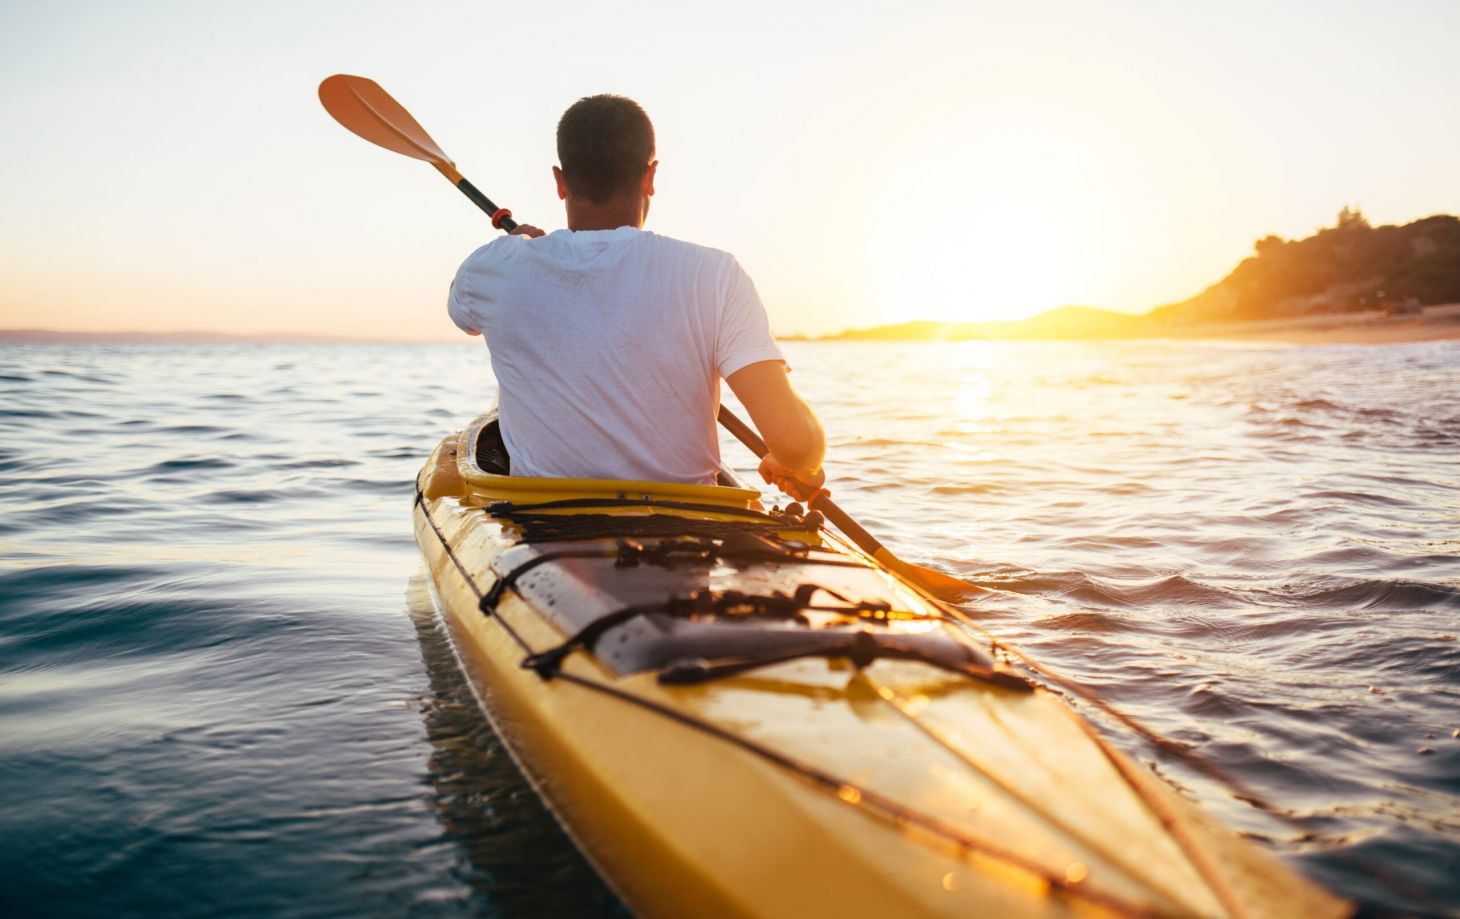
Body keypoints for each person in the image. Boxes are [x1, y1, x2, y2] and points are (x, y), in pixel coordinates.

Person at [447, 94, 825, 501]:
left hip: (539, 527)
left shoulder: (493, 268)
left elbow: (460, 309)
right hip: (688, 533)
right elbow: (795, 444)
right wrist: (796, 462)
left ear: (560, 182)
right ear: (650, 177)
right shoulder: (717, 275)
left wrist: (518, 245)